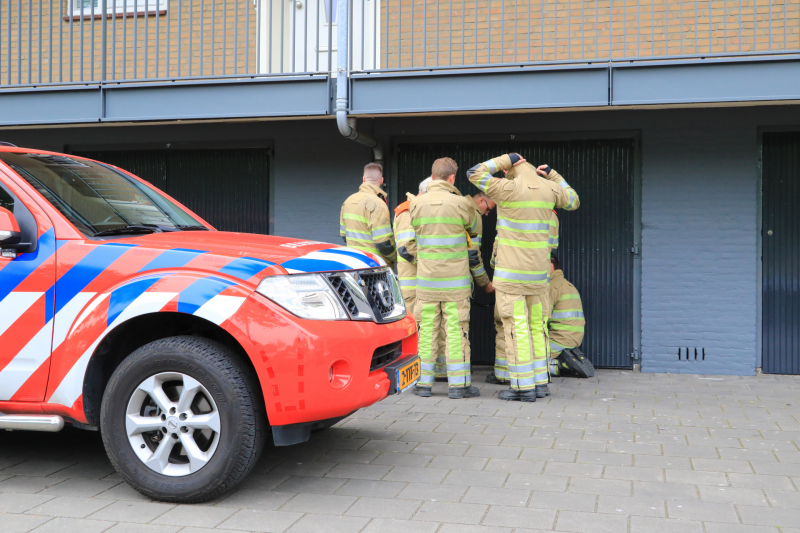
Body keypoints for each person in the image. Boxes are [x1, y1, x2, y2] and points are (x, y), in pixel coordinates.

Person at [468, 153, 579, 401]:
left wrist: (507, 158)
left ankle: (522, 387)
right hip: (539, 277)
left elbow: (474, 172)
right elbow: (573, 200)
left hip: (512, 279)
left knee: (516, 329)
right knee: (537, 329)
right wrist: (553, 174)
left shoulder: (506, 187)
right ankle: (540, 383)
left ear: (508, 171)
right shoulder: (550, 188)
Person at [410, 157, 481, 399]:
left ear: (432, 177)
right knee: (456, 331)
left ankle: (423, 384)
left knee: (427, 331)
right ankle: (458, 386)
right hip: (455, 285)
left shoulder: (416, 205)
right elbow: (473, 229)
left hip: (427, 283)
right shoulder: (462, 203)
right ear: (452, 178)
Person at [487, 208, 558, 385]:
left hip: (512, 285)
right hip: (539, 285)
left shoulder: (511, 214)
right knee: (538, 328)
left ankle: (508, 376)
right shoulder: (550, 217)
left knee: (510, 327)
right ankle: (540, 379)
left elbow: (495, 259)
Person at [339, 162, 396, 265]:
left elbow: (344, 235)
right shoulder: (379, 204)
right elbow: (383, 243)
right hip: (374, 266)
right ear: (382, 180)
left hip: (353, 262)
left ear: (363, 179)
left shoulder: (347, 201)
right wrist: (395, 257)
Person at [548, 254, 595, 378]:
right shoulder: (568, 285)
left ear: (550, 266)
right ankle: (568, 358)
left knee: (531, 363)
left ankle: (561, 366)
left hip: (558, 339)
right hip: (574, 338)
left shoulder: (552, 286)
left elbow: (541, 317)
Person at [394, 177, 432, 313]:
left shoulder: (417, 209)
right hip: (412, 286)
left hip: (419, 284)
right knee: (413, 327)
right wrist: (429, 264)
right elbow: (405, 248)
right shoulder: (408, 211)